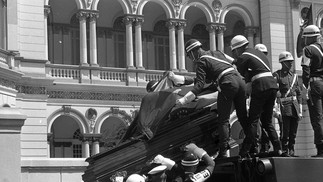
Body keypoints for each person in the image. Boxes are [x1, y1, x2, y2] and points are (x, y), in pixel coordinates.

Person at [176, 39, 248, 158]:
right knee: (243, 117)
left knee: (223, 120)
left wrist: (183, 101)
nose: (190, 58)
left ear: (193, 51)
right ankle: (253, 145)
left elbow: (199, 86)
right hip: (240, 82)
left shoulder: (201, 62)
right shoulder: (218, 53)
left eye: (189, 55)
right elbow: (235, 62)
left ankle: (223, 152)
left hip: (227, 83)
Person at [230, 35, 282, 157]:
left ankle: (246, 150)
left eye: (234, 51)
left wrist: (235, 64)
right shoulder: (259, 54)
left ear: (237, 49)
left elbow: (243, 76)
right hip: (272, 86)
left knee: (253, 120)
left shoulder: (243, 57)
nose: (234, 54)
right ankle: (278, 147)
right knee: (267, 121)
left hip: (261, 86)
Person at [273, 51, 302, 157]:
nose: (290, 64)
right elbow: (274, 92)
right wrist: (276, 109)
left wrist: (300, 109)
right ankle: (285, 150)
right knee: (285, 130)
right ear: (283, 62)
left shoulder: (294, 76)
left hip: (294, 106)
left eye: (291, 62)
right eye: (288, 62)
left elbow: (298, 93)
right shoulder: (277, 75)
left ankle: (292, 149)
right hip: (284, 107)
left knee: (293, 131)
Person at [301, 24, 323, 157]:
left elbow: (306, 69)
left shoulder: (308, 49)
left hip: (315, 85)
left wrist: (304, 86)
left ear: (309, 38)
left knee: (317, 117)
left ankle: (321, 148)